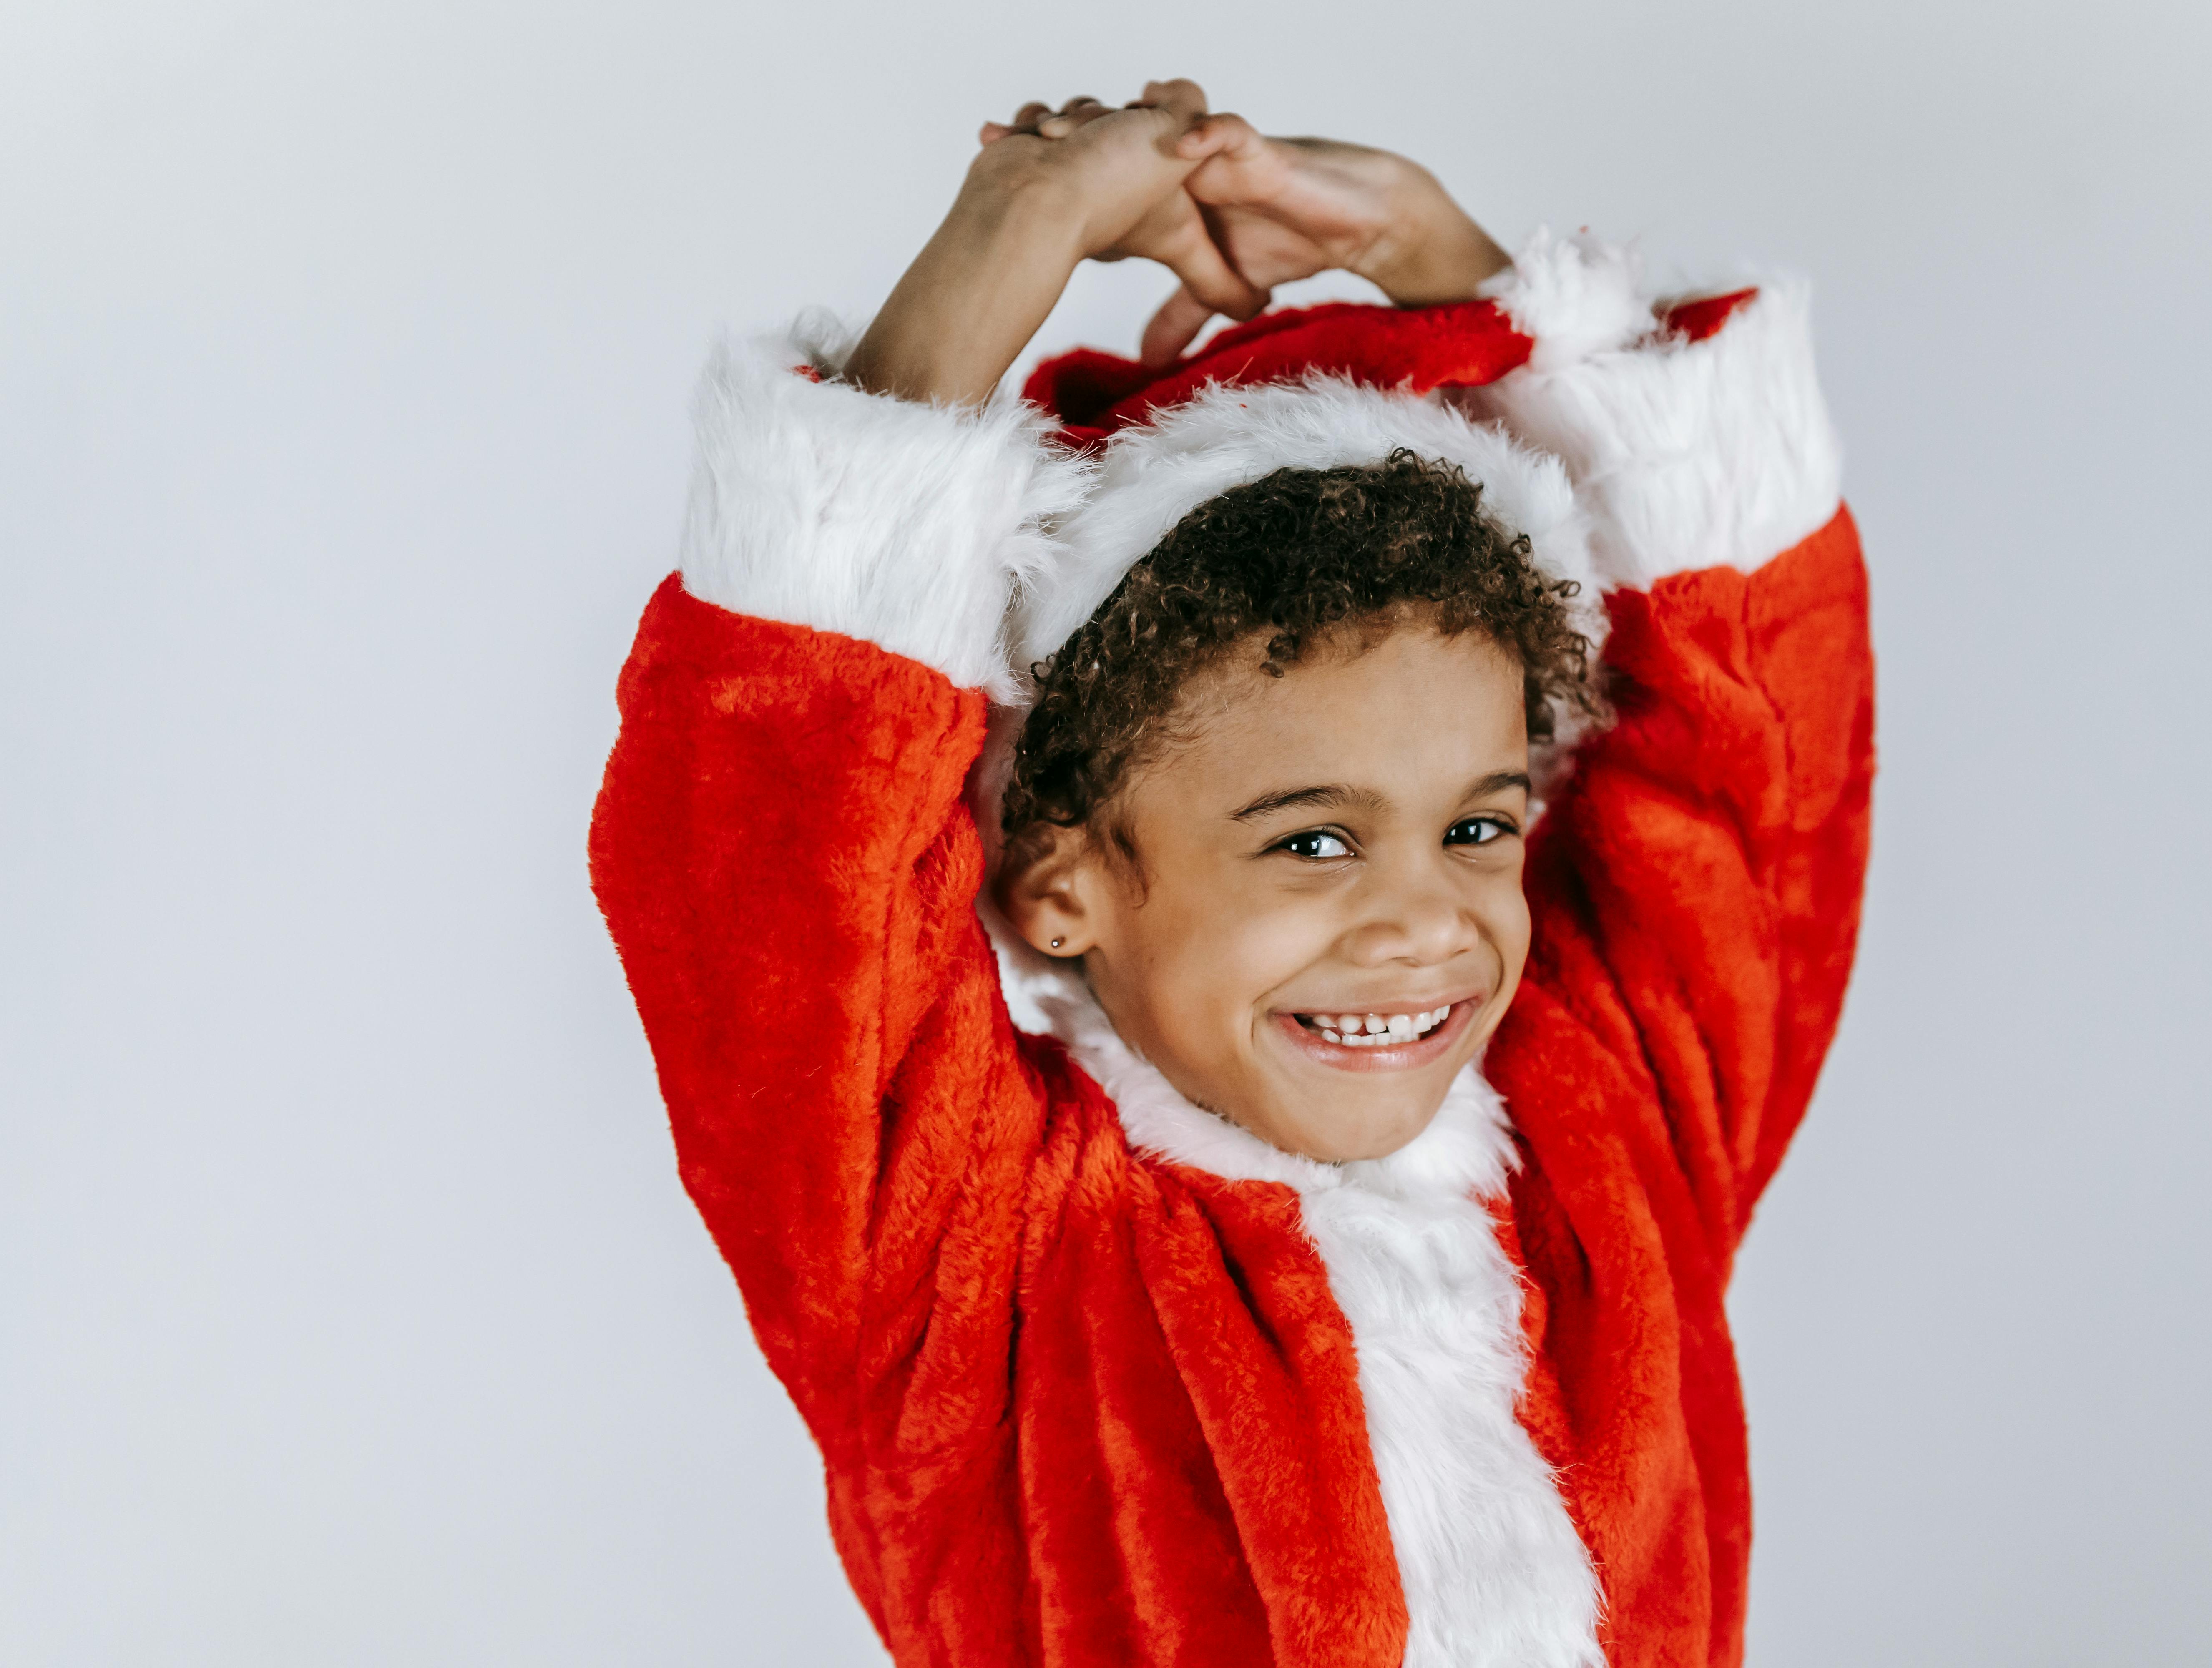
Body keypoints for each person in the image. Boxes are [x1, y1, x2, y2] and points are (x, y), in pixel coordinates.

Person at [590, 78, 1871, 1668]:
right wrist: (1021, 223)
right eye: (1313, 841)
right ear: (1062, 883)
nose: (1427, 919)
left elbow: (1760, 770)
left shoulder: (1608, 1145)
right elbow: (777, 847)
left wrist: (1439, 255)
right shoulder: (967, 1269)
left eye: (1478, 824)